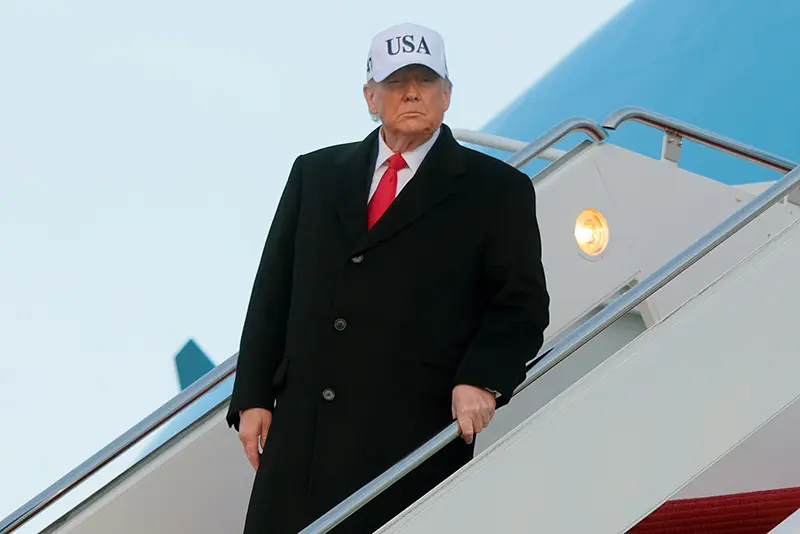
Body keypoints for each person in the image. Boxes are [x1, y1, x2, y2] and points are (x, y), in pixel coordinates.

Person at [226, 22, 550, 534]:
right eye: (397, 82)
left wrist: (482, 378)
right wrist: (252, 396)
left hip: (410, 443)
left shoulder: (497, 190)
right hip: (302, 439)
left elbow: (521, 304)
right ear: (370, 97)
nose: (412, 93)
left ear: (447, 95)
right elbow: (272, 292)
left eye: (426, 81)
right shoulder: (315, 175)